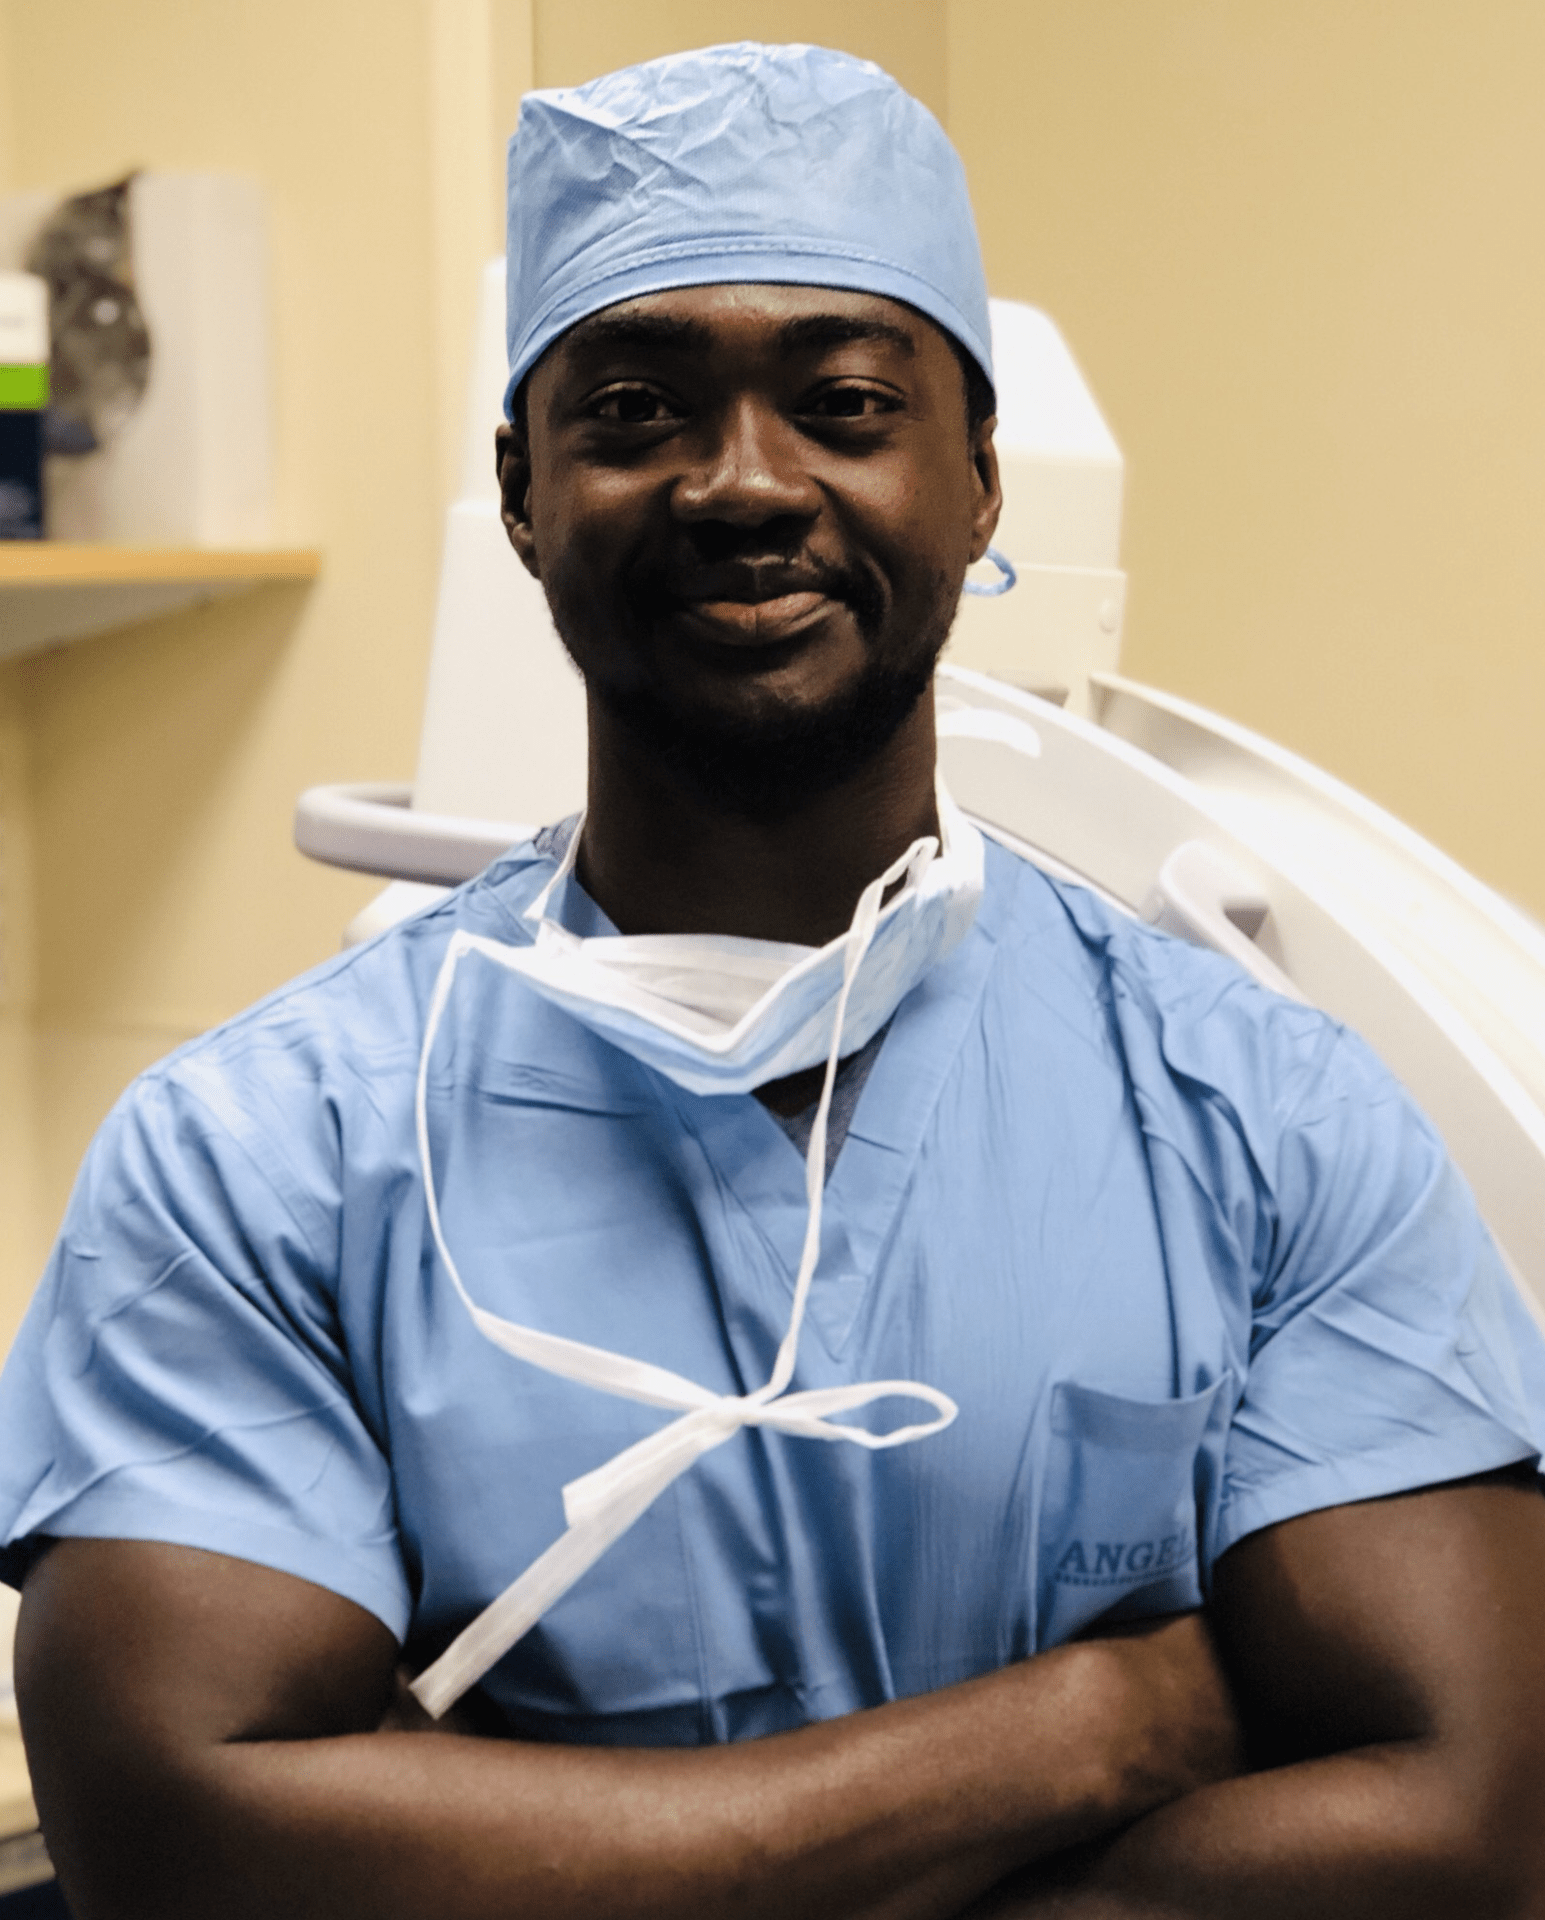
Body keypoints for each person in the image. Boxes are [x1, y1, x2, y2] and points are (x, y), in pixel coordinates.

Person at [5, 40, 1545, 1920]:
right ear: (522, 491)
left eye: (845, 402)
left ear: (979, 484)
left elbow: (1467, 1832)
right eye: (636, 408)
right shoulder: (258, 1159)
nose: (744, 483)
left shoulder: (1263, 1120)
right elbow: (188, 1847)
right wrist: (1102, 1719)